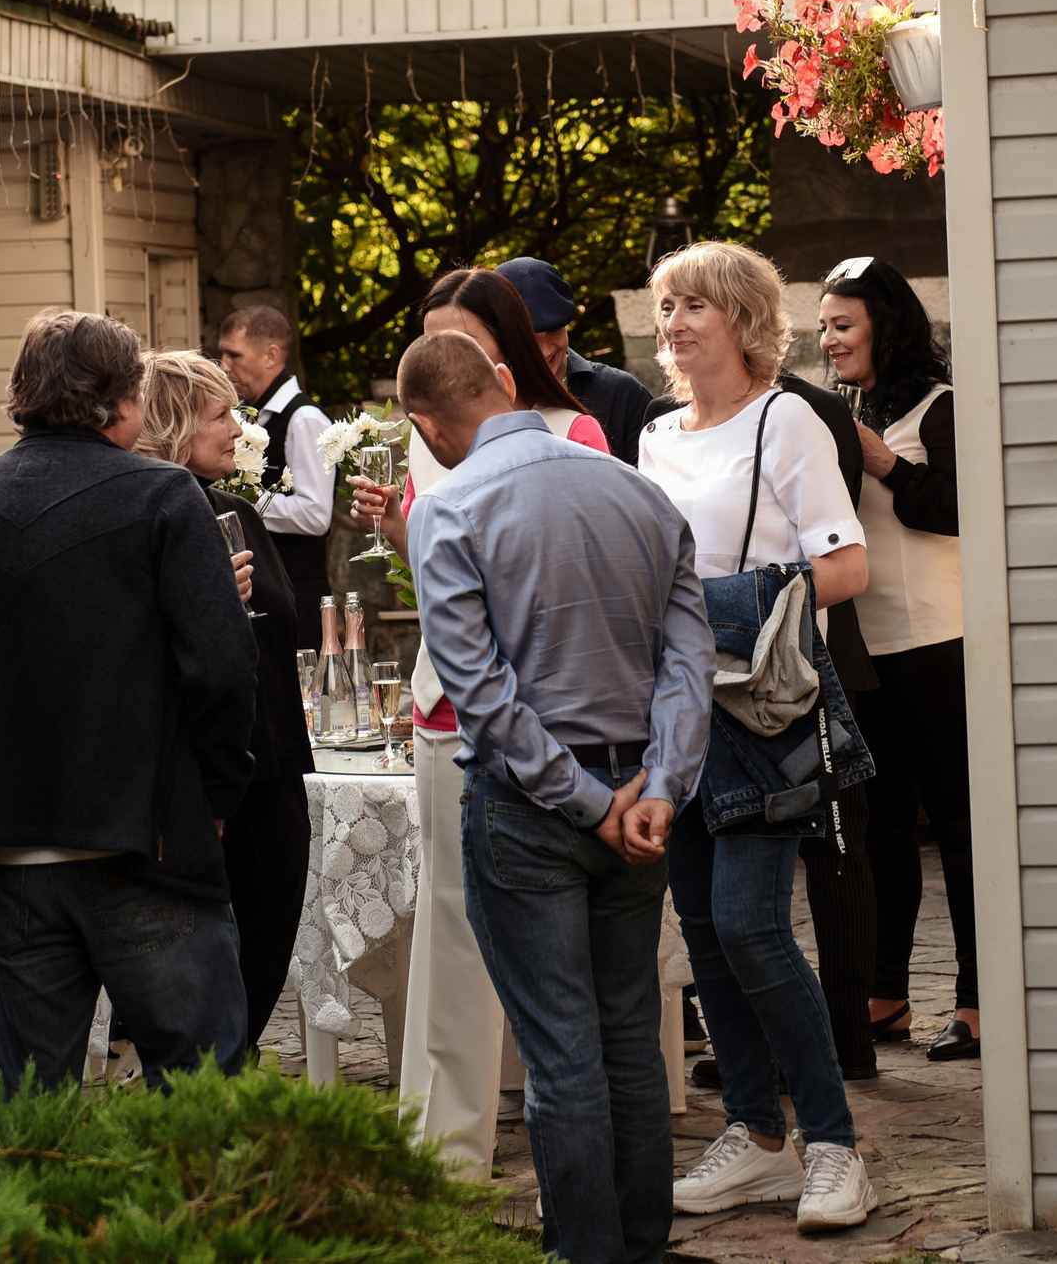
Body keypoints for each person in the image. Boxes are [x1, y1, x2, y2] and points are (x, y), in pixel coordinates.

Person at [400, 328, 715, 1264]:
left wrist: (584, 800)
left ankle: (585, 1250)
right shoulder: (639, 490)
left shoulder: (447, 506)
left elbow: (480, 693)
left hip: (533, 806)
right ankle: (640, 1243)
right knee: (626, 1030)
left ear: (426, 423)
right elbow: (688, 660)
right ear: (503, 381)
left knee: (561, 1048)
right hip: (635, 792)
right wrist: (658, 786)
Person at [0, 308, 259, 1094]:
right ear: (122, 402)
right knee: (202, 1103)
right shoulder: (165, 498)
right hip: (145, 850)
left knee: (33, 1116)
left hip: (10, 860)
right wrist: (212, 799)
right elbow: (223, 670)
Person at [348, 266, 612, 1178]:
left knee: (559, 946)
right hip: (443, 707)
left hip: (545, 713)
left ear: (505, 345)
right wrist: (396, 527)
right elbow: (440, 570)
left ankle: (570, 1147)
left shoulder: (576, 431)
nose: (445, 355)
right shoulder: (429, 439)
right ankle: (446, 1147)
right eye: (431, 339)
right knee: (448, 928)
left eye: (461, 335)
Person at [636, 241, 876, 1233]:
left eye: (696, 304)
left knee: (748, 926)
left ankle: (831, 1143)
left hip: (764, 711)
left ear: (742, 319)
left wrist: (716, 603)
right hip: (675, 709)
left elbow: (849, 566)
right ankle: (755, 1136)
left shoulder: (787, 420)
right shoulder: (653, 438)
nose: (677, 323)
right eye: (666, 308)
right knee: (703, 935)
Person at [132, 349, 315, 1053]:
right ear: (174, 420)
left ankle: (228, 1066)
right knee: (203, 955)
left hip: (272, 759)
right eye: (222, 412)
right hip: (201, 770)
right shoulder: (146, 516)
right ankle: (206, 1082)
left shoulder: (238, 510)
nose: (239, 427)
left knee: (269, 936)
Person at [817, 257, 976, 1062]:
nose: (829, 338)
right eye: (824, 325)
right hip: (864, 648)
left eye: (843, 323)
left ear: (887, 322)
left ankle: (977, 1002)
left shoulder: (941, 407)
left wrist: (882, 460)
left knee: (958, 825)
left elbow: (962, 511)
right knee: (877, 830)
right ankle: (886, 997)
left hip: (936, 639)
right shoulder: (837, 409)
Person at [218, 305, 335, 650]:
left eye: (234, 354)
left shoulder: (304, 419)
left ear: (271, 356)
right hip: (265, 593)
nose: (224, 365)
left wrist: (242, 501)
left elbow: (316, 515)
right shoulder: (250, 414)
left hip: (298, 596)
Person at [496, 255, 656, 463]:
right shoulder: (485, 399)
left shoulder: (622, 394)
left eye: (553, 331)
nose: (544, 350)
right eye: (528, 339)